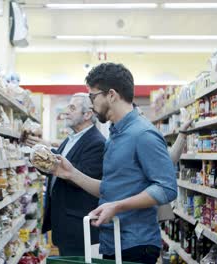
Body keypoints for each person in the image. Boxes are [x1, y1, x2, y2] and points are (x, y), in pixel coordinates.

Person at [51, 63, 177, 264]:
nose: (91, 104)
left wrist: (117, 207)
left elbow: (167, 188)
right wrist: (71, 173)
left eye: (93, 97)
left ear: (111, 95)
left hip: (136, 245)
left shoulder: (143, 134)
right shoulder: (114, 135)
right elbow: (110, 190)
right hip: (113, 241)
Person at [27, 93, 106, 256]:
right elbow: (57, 171)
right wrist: (40, 160)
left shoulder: (96, 142)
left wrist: (55, 165)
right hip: (64, 224)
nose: (66, 111)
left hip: (78, 228)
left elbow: (82, 178)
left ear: (87, 114)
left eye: (72, 108)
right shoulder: (71, 139)